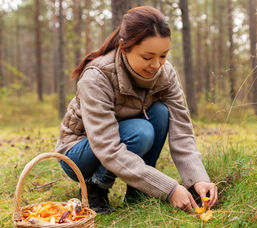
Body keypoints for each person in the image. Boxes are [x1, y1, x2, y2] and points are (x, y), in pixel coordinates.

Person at [55, 6, 218, 214]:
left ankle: (138, 193)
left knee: (160, 113)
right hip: (78, 153)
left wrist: (198, 179)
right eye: (147, 57)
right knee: (141, 131)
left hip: (124, 137)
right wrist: (168, 189)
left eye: (163, 56)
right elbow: (108, 148)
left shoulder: (165, 73)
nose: (156, 65)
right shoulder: (97, 77)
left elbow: (182, 130)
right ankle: (95, 189)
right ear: (124, 47)